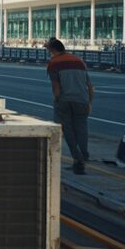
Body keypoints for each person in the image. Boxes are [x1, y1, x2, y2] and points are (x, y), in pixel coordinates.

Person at [44, 37, 94, 175]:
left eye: (48, 49)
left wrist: (57, 100)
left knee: (67, 130)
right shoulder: (79, 61)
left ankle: (78, 160)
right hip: (82, 101)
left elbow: (56, 86)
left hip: (65, 101)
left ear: (52, 50)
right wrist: (89, 102)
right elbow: (90, 86)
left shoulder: (54, 63)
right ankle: (84, 154)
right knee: (82, 128)